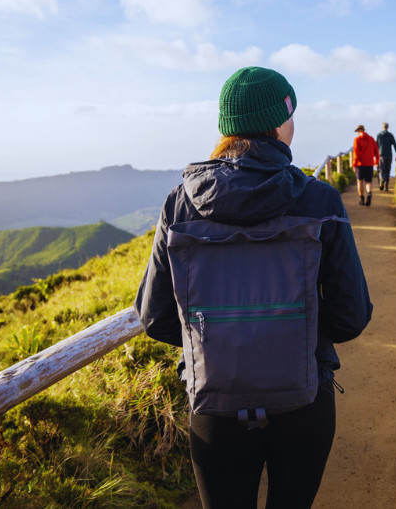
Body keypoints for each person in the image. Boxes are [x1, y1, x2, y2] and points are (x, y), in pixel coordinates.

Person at [135, 66, 373, 508]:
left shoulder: (179, 202)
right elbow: (350, 317)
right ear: (280, 123)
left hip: (214, 409)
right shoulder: (319, 201)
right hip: (304, 403)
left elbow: (155, 317)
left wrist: (220, 342)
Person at [352, 124, 380, 206]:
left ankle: (362, 199)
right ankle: (369, 194)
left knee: (360, 181)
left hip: (360, 164)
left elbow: (356, 153)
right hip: (369, 163)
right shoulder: (371, 139)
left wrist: (354, 164)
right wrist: (376, 161)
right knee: (368, 182)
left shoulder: (357, 140)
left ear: (358, 131)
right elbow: (376, 151)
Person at [375, 122, 396, 192]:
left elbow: (376, 146)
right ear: (387, 127)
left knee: (381, 170)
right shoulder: (390, 135)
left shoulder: (379, 135)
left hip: (381, 155)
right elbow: (395, 145)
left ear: (382, 127)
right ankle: (386, 185)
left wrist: (375, 155)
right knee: (387, 170)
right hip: (389, 155)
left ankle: (382, 179)